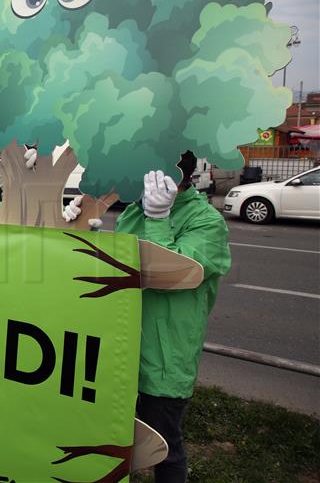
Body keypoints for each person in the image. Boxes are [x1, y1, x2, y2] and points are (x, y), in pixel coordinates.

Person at [114, 151, 231, 482]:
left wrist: (158, 218)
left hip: (165, 360)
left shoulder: (207, 222)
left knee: (164, 448)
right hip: (120, 351)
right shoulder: (135, 212)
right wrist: (82, 230)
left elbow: (170, 274)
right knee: (112, 439)